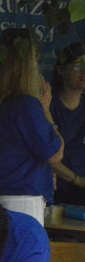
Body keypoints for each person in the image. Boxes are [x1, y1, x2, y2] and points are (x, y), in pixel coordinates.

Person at [0, 28, 63, 223]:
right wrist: (46, 111)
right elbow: (55, 154)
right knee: (22, 253)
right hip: (20, 201)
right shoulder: (26, 105)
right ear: (29, 65)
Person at [51, 42, 85, 205]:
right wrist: (77, 180)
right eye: (78, 67)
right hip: (55, 189)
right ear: (61, 69)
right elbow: (44, 153)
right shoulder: (46, 104)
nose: (84, 74)